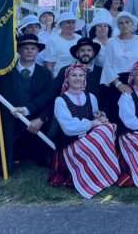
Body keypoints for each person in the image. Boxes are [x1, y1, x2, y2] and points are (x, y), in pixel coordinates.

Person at [0, 35, 53, 180]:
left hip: (32, 118)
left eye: (33, 48)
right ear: (19, 51)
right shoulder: (4, 71)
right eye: (25, 48)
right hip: (5, 117)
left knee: (44, 151)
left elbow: (48, 99)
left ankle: (30, 155)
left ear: (37, 52)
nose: (29, 51)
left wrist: (41, 118)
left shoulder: (45, 74)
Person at [50, 64, 120, 198]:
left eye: (81, 75)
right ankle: (93, 178)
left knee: (107, 128)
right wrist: (92, 123)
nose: (78, 78)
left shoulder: (91, 97)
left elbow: (95, 116)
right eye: (74, 75)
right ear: (67, 78)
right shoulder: (60, 100)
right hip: (71, 143)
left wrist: (101, 118)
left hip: (89, 138)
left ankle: (104, 173)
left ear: (85, 78)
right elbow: (68, 128)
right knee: (102, 133)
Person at [100, 11, 138, 126]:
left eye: (127, 22)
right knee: (118, 116)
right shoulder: (111, 42)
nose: (124, 25)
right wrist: (119, 85)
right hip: (118, 82)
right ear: (117, 25)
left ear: (132, 24)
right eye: (121, 23)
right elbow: (108, 66)